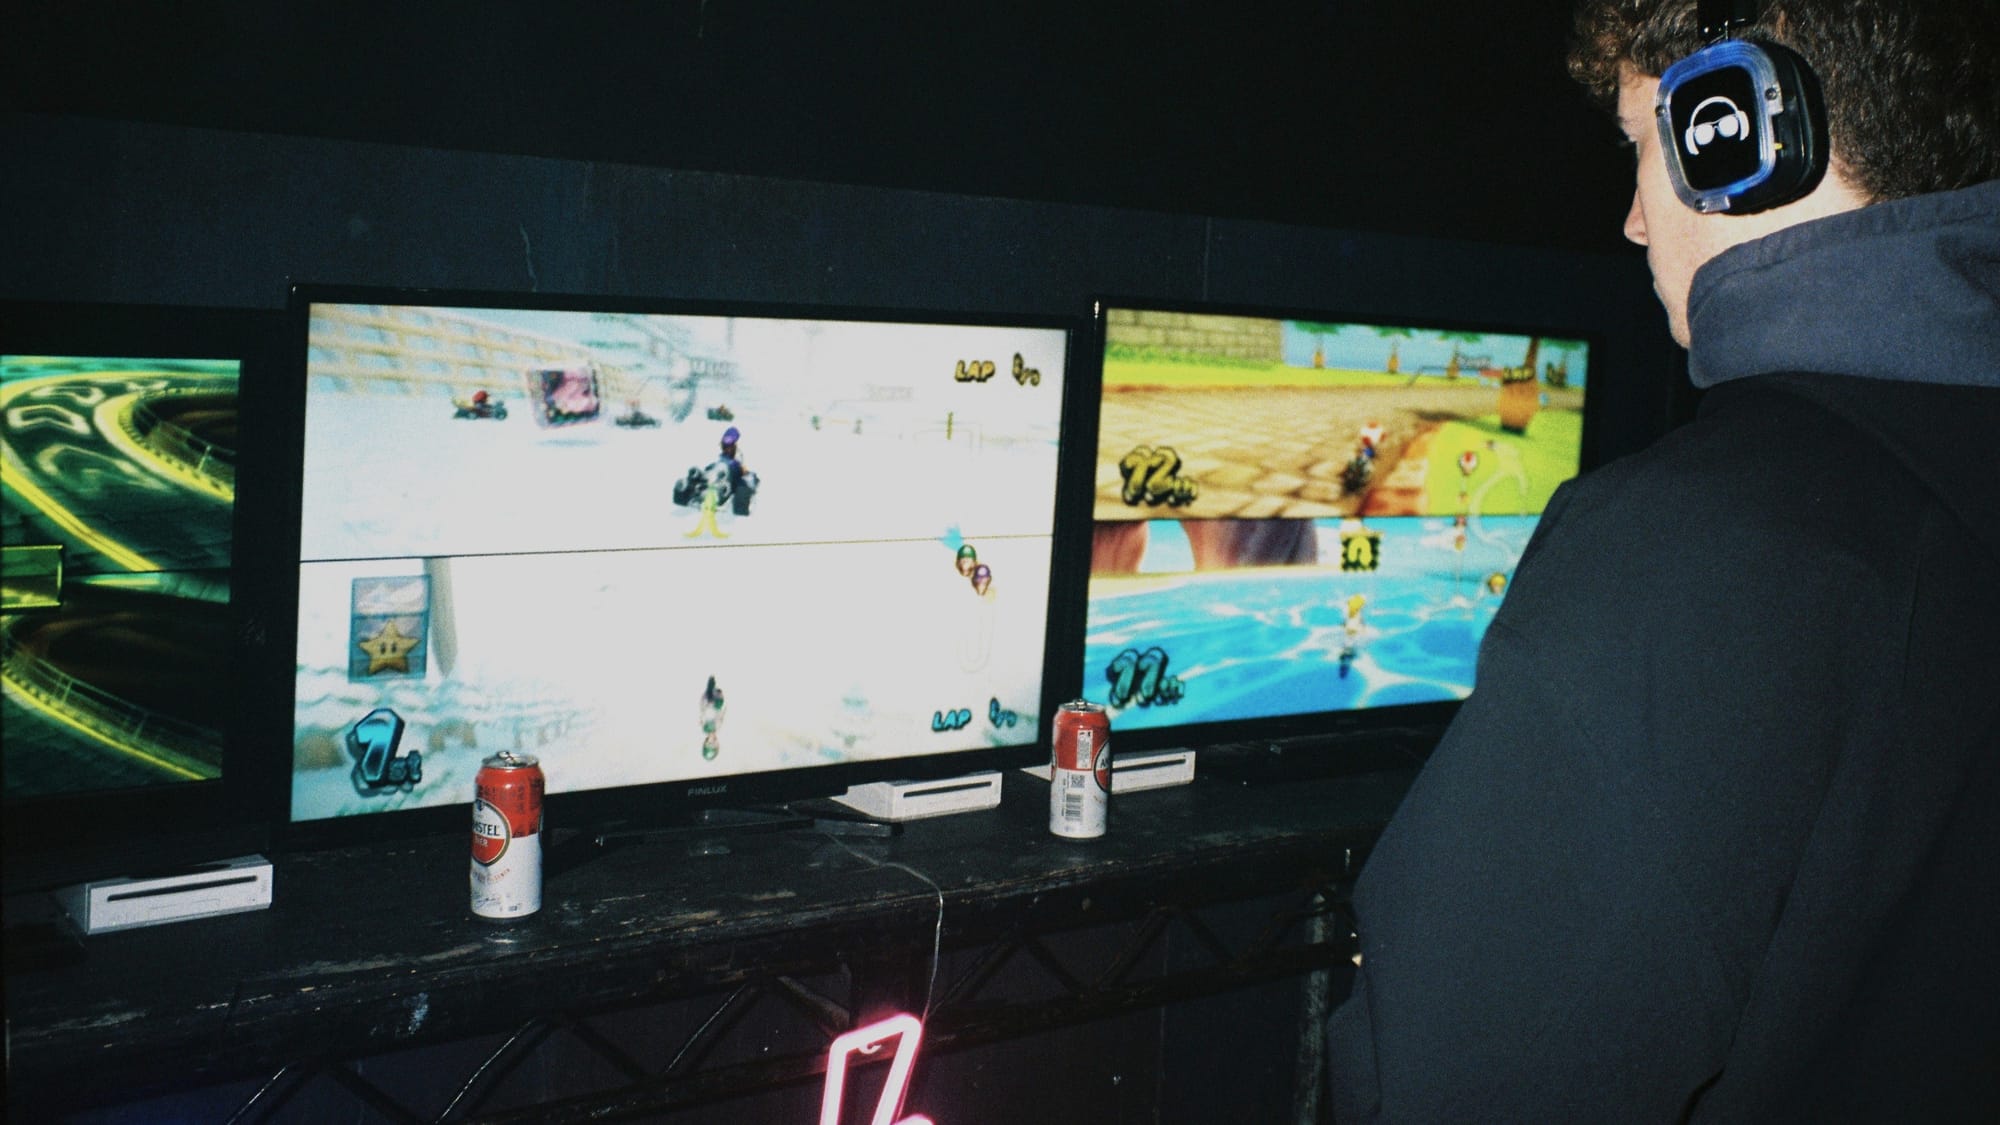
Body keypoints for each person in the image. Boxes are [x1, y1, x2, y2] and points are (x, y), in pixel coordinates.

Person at [1325, 0, 2000, 1119]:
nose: (1634, 222)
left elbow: (1463, 1081)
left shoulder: (1685, 543)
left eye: (1641, 144)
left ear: (1734, 133)